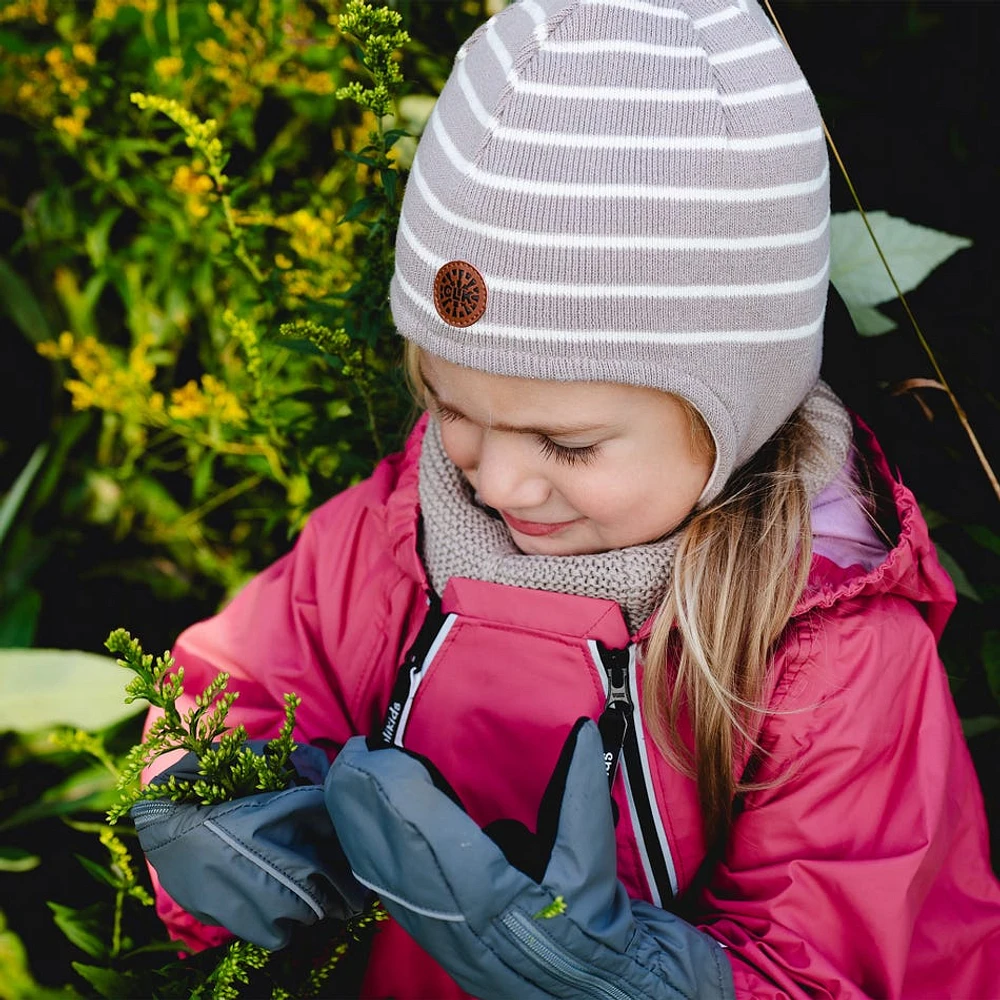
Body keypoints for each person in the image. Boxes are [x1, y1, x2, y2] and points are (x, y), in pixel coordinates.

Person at [131, 0, 1000, 996]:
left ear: (737, 410)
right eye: (450, 403)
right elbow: (231, 681)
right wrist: (214, 800)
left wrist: (638, 980)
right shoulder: (395, 536)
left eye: (567, 442)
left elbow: (862, 958)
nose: (495, 480)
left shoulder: (821, 653)